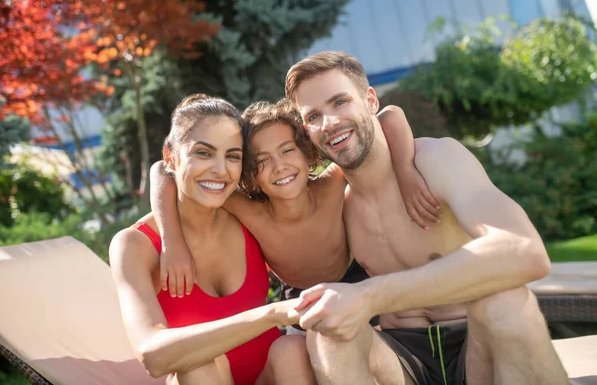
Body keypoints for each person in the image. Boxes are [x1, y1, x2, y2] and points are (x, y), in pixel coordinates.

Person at [285, 51, 569, 385]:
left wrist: (372, 294)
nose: (329, 123)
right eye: (314, 116)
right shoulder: (334, 203)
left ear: (370, 100)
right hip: (403, 360)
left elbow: (525, 252)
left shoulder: (435, 160)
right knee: (327, 337)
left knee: (506, 301)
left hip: (476, 348)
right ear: (307, 130)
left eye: (340, 102)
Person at [109, 94, 316, 385]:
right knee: (198, 364)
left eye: (232, 156)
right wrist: (272, 314)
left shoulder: (246, 216)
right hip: (202, 380)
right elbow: (152, 356)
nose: (220, 170)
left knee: (291, 350)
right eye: (204, 153)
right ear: (171, 156)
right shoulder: (136, 245)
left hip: (270, 377)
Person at [150, 99, 440, 304]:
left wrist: (405, 170)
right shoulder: (251, 211)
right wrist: (172, 242)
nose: (279, 166)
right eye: (262, 161)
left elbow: (388, 116)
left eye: (287, 150)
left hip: (357, 282)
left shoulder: (332, 184)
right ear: (250, 173)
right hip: (297, 298)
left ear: (307, 153)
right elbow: (162, 170)